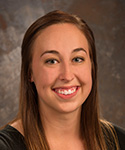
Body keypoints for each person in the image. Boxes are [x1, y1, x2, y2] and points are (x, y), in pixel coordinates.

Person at [0, 10, 124, 150]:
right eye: (52, 61)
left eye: (77, 59)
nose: (67, 75)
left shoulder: (120, 141)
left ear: (92, 67)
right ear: (30, 73)